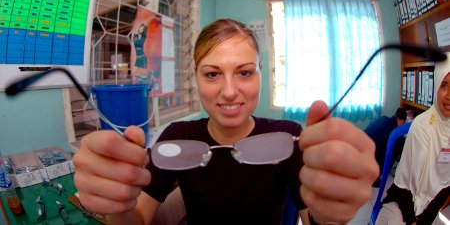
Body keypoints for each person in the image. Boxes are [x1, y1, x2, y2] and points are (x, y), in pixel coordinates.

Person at [73, 19, 379, 224]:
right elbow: (138, 217)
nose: (229, 92)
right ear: (196, 78)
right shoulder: (178, 138)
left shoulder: (287, 137)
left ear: (261, 73)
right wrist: (117, 203)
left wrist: (331, 213)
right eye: (212, 74)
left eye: (244, 72)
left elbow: (314, 216)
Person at [376, 55, 450, 224]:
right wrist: (413, 221)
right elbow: (404, 186)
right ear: (436, 86)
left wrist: (425, 218)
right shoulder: (422, 126)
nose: (449, 95)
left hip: (431, 206)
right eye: (444, 85)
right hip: (403, 202)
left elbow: (446, 185)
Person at [364, 107, 407, 187]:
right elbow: (403, 147)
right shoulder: (393, 131)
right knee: (396, 147)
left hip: (360, 146)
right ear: (401, 121)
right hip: (368, 156)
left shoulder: (383, 118)